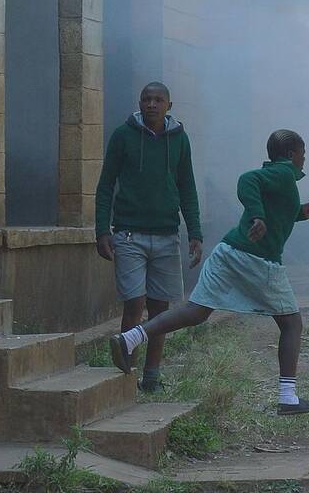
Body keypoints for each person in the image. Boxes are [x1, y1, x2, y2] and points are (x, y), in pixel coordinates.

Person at [110, 129, 309, 416]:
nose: (304, 158)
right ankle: (288, 397)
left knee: (197, 311)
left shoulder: (279, 178)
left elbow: (277, 210)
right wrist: (257, 214)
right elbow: (248, 181)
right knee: (292, 324)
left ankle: (130, 338)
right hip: (256, 259)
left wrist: (300, 212)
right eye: (303, 152)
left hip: (229, 252)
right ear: (291, 154)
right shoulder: (284, 173)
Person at [96, 82, 203, 393]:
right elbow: (106, 185)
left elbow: (187, 188)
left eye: (158, 100)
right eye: (146, 99)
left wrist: (194, 232)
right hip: (129, 234)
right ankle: (125, 374)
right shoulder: (123, 136)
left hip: (167, 235)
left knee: (160, 310)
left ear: (170, 105)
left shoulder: (180, 139)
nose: (152, 104)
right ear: (139, 103)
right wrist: (102, 229)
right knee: (135, 302)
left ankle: (152, 376)